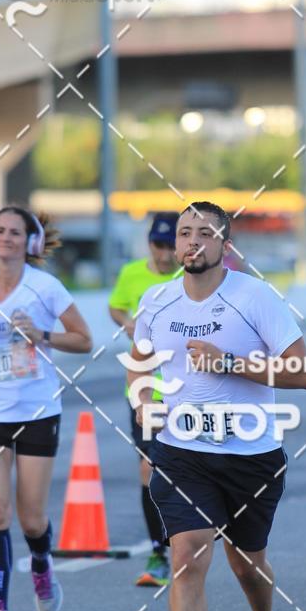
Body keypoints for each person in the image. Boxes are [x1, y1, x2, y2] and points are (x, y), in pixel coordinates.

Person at [128, 201, 306, 611]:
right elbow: (139, 367)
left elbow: (303, 374)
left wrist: (231, 363)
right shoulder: (156, 301)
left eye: (203, 233)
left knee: (246, 565)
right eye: (184, 233)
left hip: (250, 455)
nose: (191, 242)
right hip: (181, 452)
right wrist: (145, 403)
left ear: (223, 244)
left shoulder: (253, 297)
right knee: (187, 556)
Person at [0, 206, 92, 611]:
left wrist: (41, 336)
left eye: (15, 232)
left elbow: (84, 340)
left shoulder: (45, 288)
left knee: (30, 518)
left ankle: (42, 562)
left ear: (32, 242)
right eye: (0, 231)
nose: (5, 238)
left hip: (37, 412)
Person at [109, 212, 179, 586]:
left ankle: (191, 543)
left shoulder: (190, 278)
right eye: (159, 245)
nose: (166, 254)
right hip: (145, 390)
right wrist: (128, 325)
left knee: (187, 474)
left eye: (172, 246)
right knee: (148, 470)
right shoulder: (132, 274)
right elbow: (115, 305)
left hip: (190, 394)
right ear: (149, 244)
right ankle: (158, 553)